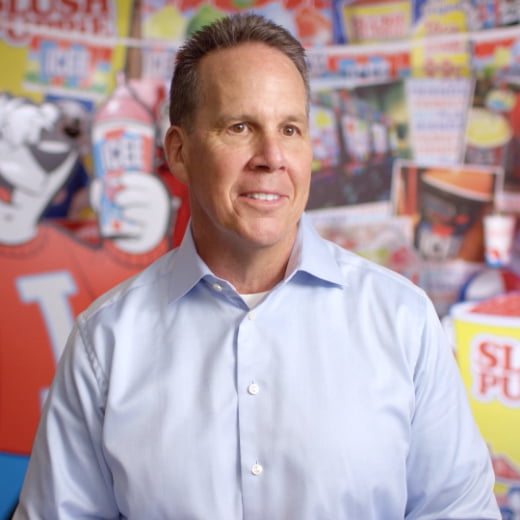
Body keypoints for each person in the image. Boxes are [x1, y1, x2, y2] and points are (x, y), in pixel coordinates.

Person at [14, 13, 500, 520]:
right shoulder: (105, 341)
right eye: (240, 127)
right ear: (179, 152)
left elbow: (458, 510)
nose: (272, 157)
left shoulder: (403, 320)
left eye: (290, 129)